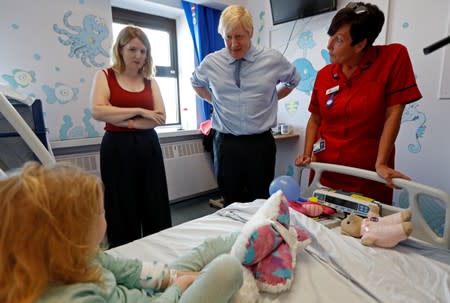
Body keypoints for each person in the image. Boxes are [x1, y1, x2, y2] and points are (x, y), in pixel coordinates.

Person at [0, 161, 243, 303]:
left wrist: (170, 277)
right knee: (226, 269)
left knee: (203, 250)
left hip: (149, 293)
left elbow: (129, 270)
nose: (106, 215)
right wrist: (178, 288)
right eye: (101, 212)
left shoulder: (80, 253)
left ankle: (253, 229)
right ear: (72, 231)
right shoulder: (73, 298)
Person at [295, 2, 422, 205]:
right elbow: (315, 119)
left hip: (367, 173)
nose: (329, 46)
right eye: (331, 36)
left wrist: (381, 163)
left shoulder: (393, 59)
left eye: (338, 40)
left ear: (361, 44)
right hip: (325, 171)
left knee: (365, 231)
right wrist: (307, 155)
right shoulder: (325, 75)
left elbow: (394, 113)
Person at [191, 5, 301, 206]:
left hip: (260, 144)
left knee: (260, 202)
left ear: (250, 32)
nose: (233, 44)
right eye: (228, 37)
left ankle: (260, 238)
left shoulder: (272, 59)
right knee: (231, 201)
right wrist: (213, 100)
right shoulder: (211, 62)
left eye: (239, 36)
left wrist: (272, 98)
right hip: (226, 143)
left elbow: (293, 80)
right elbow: (196, 83)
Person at [90, 25, 171, 247]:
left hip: (148, 145)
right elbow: (98, 111)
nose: (138, 56)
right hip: (116, 147)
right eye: (133, 49)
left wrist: (125, 120)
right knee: (121, 202)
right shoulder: (105, 75)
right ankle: (125, 253)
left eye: (143, 51)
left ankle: (160, 249)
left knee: (153, 199)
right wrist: (141, 111)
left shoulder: (150, 81)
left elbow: (161, 117)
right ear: (121, 49)